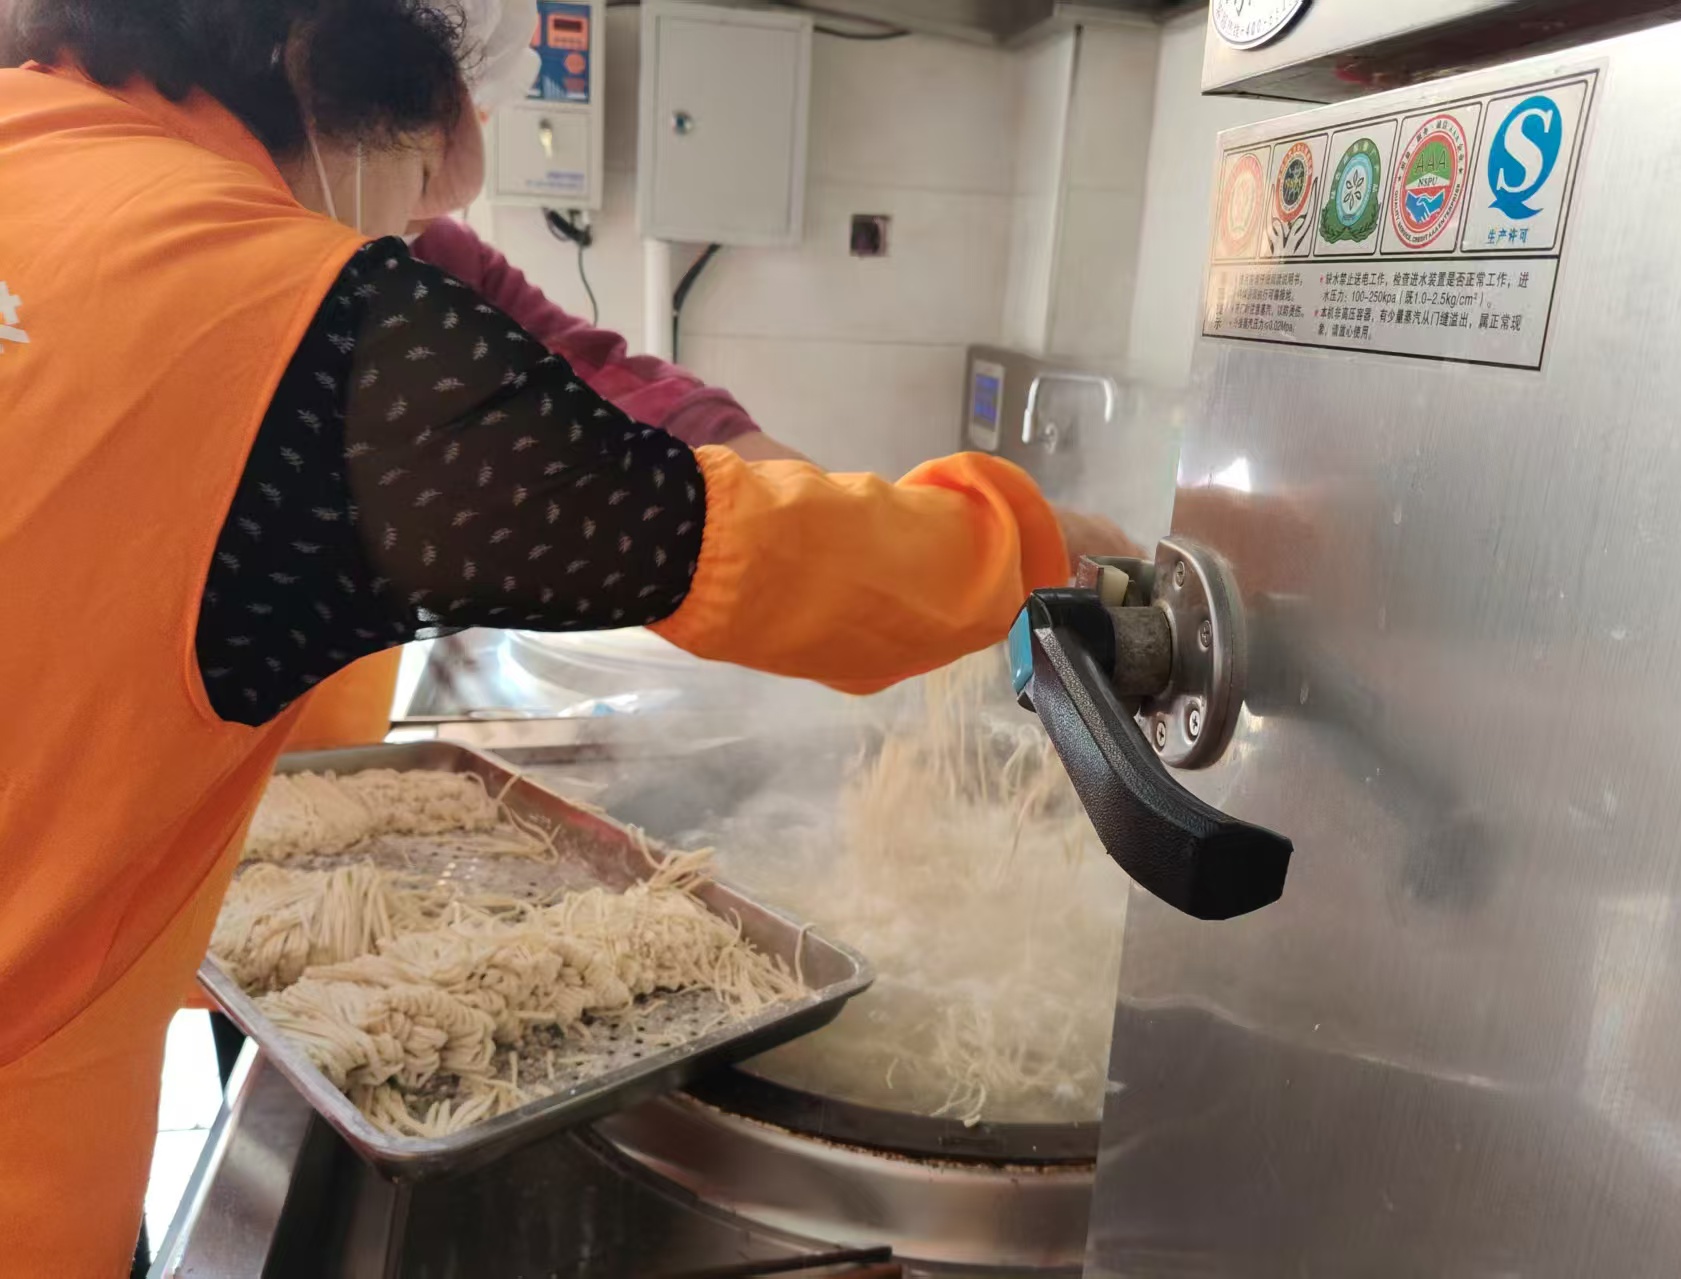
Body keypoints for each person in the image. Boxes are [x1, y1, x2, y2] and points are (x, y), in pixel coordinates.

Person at [0, 2, 1137, 1272]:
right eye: (418, 181)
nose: (419, 235)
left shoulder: (37, 146)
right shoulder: (291, 310)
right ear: (321, 69)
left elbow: (571, 372)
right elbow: (703, 540)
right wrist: (1033, 550)